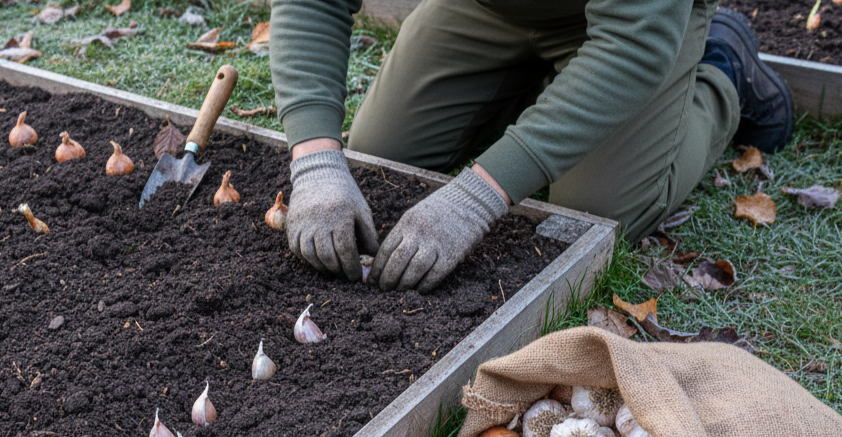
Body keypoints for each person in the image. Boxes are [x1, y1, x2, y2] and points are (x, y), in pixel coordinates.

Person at [269, 1, 793, 293]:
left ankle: (722, 71)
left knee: (592, 209)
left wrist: (476, 197)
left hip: (638, 25)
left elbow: (634, 44)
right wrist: (315, 162)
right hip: (490, 9)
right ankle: (554, 88)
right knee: (382, 153)